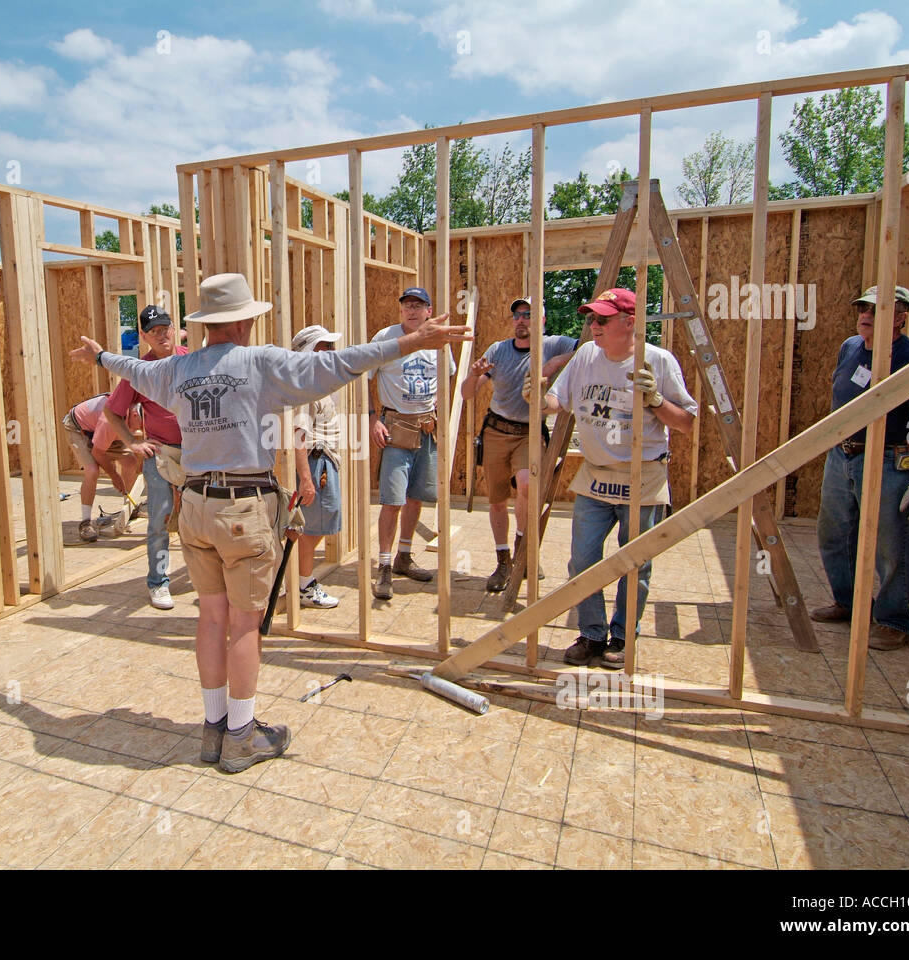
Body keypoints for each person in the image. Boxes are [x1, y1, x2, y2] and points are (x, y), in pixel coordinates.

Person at [71, 273, 470, 773]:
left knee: (211, 618)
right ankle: (241, 736)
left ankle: (214, 729)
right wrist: (412, 341)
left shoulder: (175, 369)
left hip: (194, 505)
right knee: (244, 624)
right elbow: (341, 363)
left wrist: (101, 357)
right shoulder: (261, 363)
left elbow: (131, 367)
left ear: (207, 322)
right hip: (242, 510)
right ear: (243, 321)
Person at [539, 288, 697, 669]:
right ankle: (592, 634)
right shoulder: (585, 357)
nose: (594, 326)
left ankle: (623, 636)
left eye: (602, 319)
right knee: (582, 560)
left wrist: (656, 401)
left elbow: (687, 422)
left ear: (629, 323)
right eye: (592, 318)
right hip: (596, 476)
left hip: (642, 476)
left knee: (635, 563)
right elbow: (557, 402)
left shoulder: (658, 361)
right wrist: (538, 398)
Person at [811, 285, 909, 650]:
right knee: (834, 533)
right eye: (863, 308)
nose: (865, 315)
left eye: (876, 310)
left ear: (900, 318)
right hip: (842, 455)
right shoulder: (850, 347)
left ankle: (894, 620)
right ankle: (850, 603)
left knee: (890, 543)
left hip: (887, 459)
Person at [461, 297, 575, 592]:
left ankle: (523, 553)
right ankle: (503, 562)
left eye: (528, 314)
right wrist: (473, 375)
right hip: (497, 431)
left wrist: (553, 363)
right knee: (497, 499)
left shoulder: (552, 344)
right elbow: (467, 394)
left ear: (542, 321)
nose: (521, 320)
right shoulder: (498, 350)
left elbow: (587, 347)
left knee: (526, 484)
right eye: (517, 315)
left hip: (529, 432)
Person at [368, 287, 456, 600]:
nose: (412, 310)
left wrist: (441, 408)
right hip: (396, 429)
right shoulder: (386, 338)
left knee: (416, 497)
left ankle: (404, 557)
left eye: (418, 305)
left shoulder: (438, 340)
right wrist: (372, 419)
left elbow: (447, 377)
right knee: (393, 501)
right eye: (407, 305)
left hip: (426, 429)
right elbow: (365, 377)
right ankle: (384, 566)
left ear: (429, 310)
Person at [103, 305, 188, 610]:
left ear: (174, 329)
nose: (161, 335)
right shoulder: (139, 371)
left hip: (197, 453)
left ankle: (205, 574)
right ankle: (158, 581)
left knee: (201, 518)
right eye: (153, 332)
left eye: (165, 329)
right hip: (161, 454)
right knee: (160, 520)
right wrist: (132, 443)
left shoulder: (191, 360)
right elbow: (111, 412)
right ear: (144, 336)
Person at [291, 324, 345, 609]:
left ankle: (299, 579)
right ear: (310, 352)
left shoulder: (318, 383)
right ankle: (303, 585)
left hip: (324, 461)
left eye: (332, 346)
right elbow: (298, 436)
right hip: (316, 463)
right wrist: (306, 479)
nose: (331, 352)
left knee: (319, 524)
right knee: (311, 528)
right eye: (325, 347)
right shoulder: (305, 388)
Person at [60, 392, 143, 541]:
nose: (141, 429)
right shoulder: (110, 419)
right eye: (141, 425)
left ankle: (130, 508)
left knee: (130, 462)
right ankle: (85, 523)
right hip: (78, 429)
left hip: (101, 429)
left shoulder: (131, 412)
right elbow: (97, 452)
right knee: (92, 471)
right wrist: (115, 476)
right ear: (135, 415)